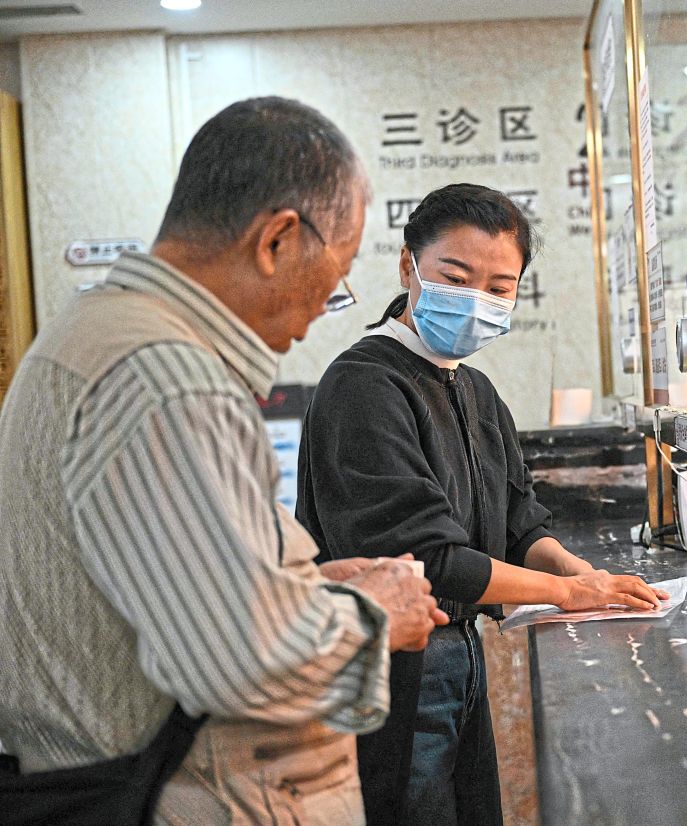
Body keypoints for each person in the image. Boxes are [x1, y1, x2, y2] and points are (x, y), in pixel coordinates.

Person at [0, 96, 447, 826]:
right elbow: (243, 663)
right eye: (334, 276)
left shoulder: (97, 330)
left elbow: (165, 585)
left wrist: (293, 585)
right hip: (176, 792)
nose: (320, 310)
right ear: (276, 240)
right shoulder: (166, 378)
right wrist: (375, 612)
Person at [297, 183, 668, 825]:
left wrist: (581, 574)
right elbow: (430, 558)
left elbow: (519, 520)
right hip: (391, 670)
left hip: (460, 652)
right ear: (408, 266)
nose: (477, 300)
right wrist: (568, 596)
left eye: (500, 287)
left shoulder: (473, 388)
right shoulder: (363, 387)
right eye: (455, 276)